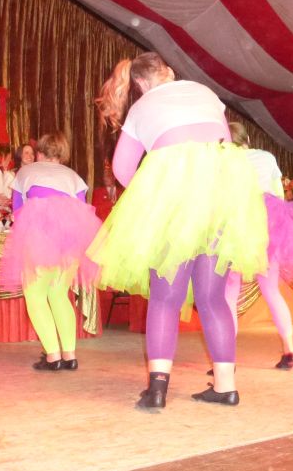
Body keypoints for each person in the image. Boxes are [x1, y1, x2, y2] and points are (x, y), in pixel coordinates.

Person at [89, 52, 267, 409]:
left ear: (140, 83)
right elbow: (220, 143)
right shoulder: (206, 93)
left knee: (165, 298)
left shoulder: (142, 107)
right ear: (169, 71)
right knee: (213, 298)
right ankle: (226, 386)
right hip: (218, 199)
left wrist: (150, 195)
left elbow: (122, 168)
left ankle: (157, 389)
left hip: (172, 203)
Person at [0, 132, 102, 370]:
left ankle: (53, 357)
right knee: (59, 294)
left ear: (39, 153)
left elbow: (18, 210)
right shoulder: (73, 176)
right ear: (62, 154)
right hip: (71, 241)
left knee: (35, 295)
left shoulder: (26, 172)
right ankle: (70, 355)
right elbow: (83, 211)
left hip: (40, 238)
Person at [223, 122, 293, 370]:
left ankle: (226, 357)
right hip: (268, 224)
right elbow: (279, 194)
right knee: (271, 290)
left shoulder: (226, 162)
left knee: (230, 292)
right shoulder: (266, 157)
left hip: (238, 224)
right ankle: (290, 350)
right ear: (247, 139)